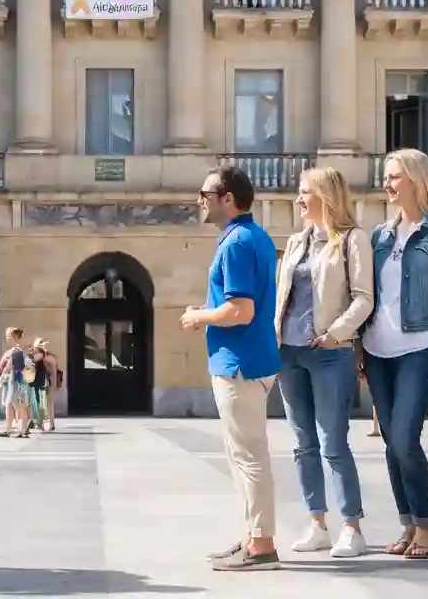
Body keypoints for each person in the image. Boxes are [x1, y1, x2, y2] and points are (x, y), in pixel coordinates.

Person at [363, 148, 428, 560]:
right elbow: (369, 294)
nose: (386, 184)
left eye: (393, 177)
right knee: (391, 442)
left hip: (420, 347)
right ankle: (407, 522)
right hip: (377, 349)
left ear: (415, 179)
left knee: (406, 438)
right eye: (386, 177)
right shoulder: (379, 235)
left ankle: (425, 524)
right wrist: (358, 345)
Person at [183, 164, 282, 572]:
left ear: (228, 198)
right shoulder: (250, 237)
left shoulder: (237, 242)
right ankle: (251, 537)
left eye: (205, 194)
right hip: (247, 360)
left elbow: (241, 310)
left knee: (249, 456)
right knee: (242, 455)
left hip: (240, 362)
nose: (199, 201)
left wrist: (198, 317)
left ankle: (261, 545)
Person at [275, 166, 374, 559]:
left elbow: (363, 297)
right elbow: (284, 298)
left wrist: (335, 333)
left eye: (305, 192)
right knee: (302, 444)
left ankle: (352, 526)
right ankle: (317, 522)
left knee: (334, 442)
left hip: (329, 352)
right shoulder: (296, 242)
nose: (299, 199)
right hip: (290, 353)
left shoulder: (352, 240)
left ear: (326, 196)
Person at [0, 328, 32, 439]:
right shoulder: (16, 350)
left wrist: (0, 380)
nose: (7, 338)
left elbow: (9, 366)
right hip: (15, 380)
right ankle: (20, 429)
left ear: (15, 337)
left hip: (17, 380)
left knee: (18, 405)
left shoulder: (17, 351)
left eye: (9, 336)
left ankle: (22, 429)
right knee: (15, 404)